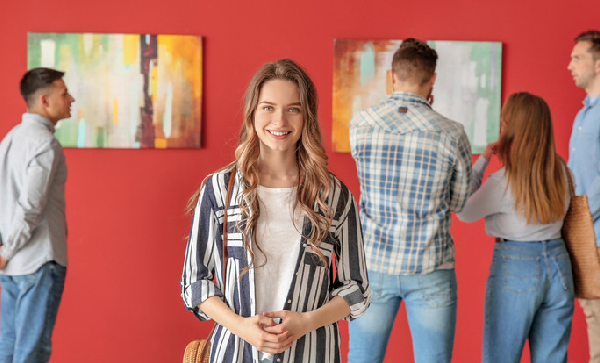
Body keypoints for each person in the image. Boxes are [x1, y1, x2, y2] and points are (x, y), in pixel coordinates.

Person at [180, 59, 370, 363]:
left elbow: (356, 289)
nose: (279, 120)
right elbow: (194, 282)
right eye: (268, 107)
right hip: (234, 353)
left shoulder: (333, 195)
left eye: (292, 109)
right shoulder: (220, 190)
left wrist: (306, 322)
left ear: (306, 116)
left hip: (311, 355)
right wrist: (243, 328)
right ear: (253, 114)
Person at [348, 38, 472, 363]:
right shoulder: (452, 133)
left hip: (373, 265)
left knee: (363, 359)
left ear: (393, 76)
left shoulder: (361, 124)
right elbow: (459, 203)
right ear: (432, 79)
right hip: (430, 267)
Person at [458, 92, 574, 362]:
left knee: (501, 356)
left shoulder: (503, 181)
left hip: (516, 265)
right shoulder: (562, 170)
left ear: (511, 129)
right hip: (559, 264)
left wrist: (484, 159)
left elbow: (463, 210)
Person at [0, 67, 74, 363]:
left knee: (8, 346)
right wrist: (8, 249)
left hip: (12, 263)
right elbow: (31, 206)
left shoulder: (11, 138)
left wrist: (5, 251)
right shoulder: (45, 144)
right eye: (64, 93)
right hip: (39, 261)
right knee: (32, 351)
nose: (71, 99)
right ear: (44, 100)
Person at [567, 29, 600, 363]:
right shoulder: (583, 115)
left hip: (594, 233)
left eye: (578, 57)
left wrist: (581, 216)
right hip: (587, 236)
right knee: (593, 315)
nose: (570, 65)